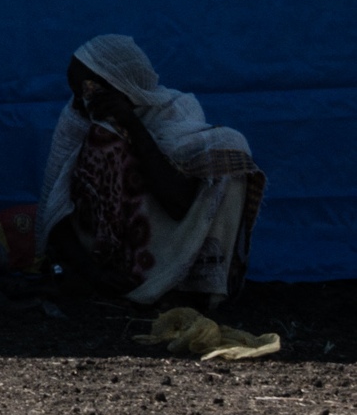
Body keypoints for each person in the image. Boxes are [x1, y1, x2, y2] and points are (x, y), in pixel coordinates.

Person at [38, 32, 258, 310]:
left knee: (229, 147)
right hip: (111, 254)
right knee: (104, 138)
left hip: (170, 233)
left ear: (122, 85)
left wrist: (132, 125)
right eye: (76, 89)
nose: (82, 101)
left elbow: (178, 203)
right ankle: (131, 280)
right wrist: (94, 274)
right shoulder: (76, 120)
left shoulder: (177, 111)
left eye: (91, 88)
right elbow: (54, 209)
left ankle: (198, 285)